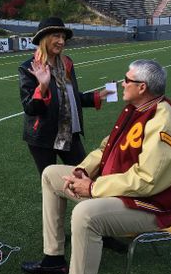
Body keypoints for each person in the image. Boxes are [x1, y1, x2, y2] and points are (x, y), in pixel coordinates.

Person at [21, 59, 171, 274]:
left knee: (86, 215)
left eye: (126, 80)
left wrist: (93, 188)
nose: (121, 83)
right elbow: (106, 148)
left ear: (142, 87)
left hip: (150, 206)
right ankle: (54, 257)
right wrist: (83, 170)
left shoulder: (164, 121)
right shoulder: (137, 109)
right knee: (51, 174)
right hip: (119, 190)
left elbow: (147, 181)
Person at [18, 16, 110, 176]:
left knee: (83, 174)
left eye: (63, 37)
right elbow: (30, 108)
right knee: (51, 183)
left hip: (69, 132)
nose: (61, 41)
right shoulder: (28, 68)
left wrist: (97, 96)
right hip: (43, 137)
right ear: (44, 38)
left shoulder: (67, 62)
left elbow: (70, 98)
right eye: (56, 36)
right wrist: (43, 86)